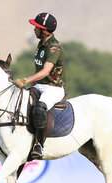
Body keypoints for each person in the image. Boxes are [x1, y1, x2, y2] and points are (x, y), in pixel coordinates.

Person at [14, 12, 66, 159]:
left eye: (36, 27)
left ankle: (39, 144)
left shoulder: (54, 48)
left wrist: (26, 80)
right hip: (40, 86)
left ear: (44, 30)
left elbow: (45, 71)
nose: (34, 29)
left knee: (38, 109)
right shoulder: (41, 43)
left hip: (53, 89)